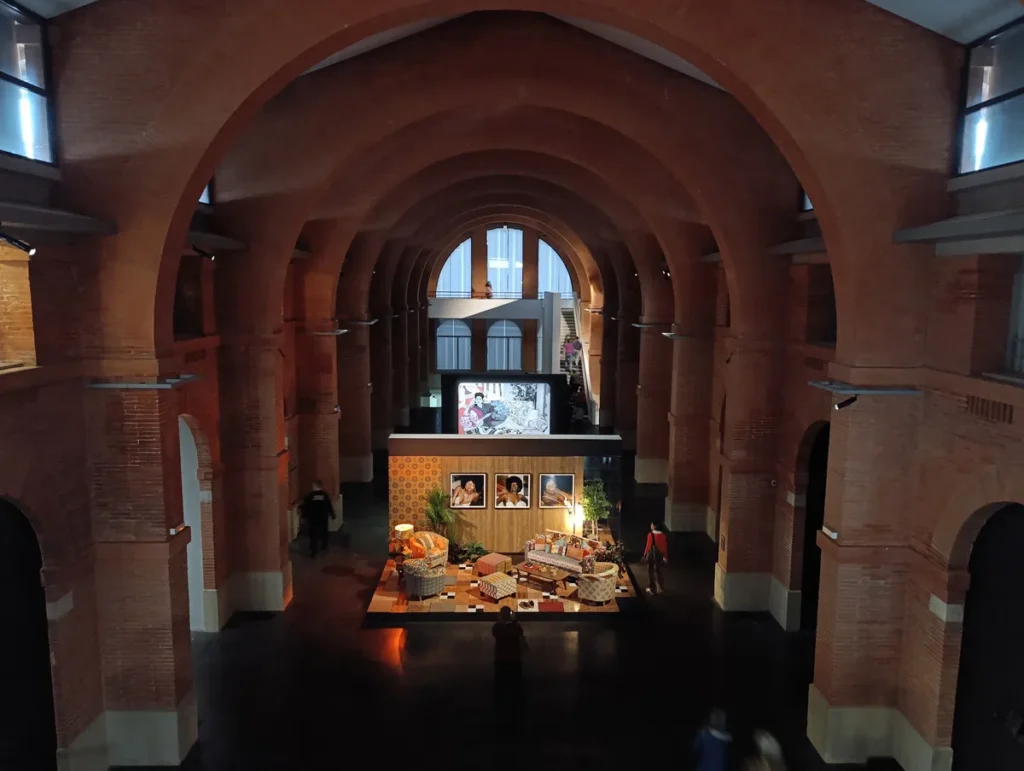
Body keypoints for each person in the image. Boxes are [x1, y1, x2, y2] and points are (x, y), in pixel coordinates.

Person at [492, 606, 526, 698]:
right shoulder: (516, 627)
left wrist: (500, 622)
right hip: (514, 657)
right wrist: (514, 621)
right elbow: (520, 633)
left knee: (500, 679)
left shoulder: (497, 627)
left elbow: (494, 632)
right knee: (515, 680)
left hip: (501, 657)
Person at [299, 480, 336, 557]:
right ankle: (324, 546)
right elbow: (329, 505)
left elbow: (306, 507)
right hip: (323, 517)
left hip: (313, 518)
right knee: (324, 531)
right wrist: (332, 515)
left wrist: (303, 517)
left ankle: (313, 551)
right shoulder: (325, 495)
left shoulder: (310, 496)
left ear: (315, 486)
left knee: (313, 534)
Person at [641, 520, 668, 595]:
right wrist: (665, 557)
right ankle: (660, 588)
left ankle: (652, 589)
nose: (651, 525)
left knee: (650, 572)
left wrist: (644, 555)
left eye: (652, 524)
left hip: (651, 555)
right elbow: (664, 548)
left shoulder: (650, 535)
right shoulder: (663, 536)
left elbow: (648, 547)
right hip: (659, 556)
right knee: (658, 571)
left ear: (655, 526)